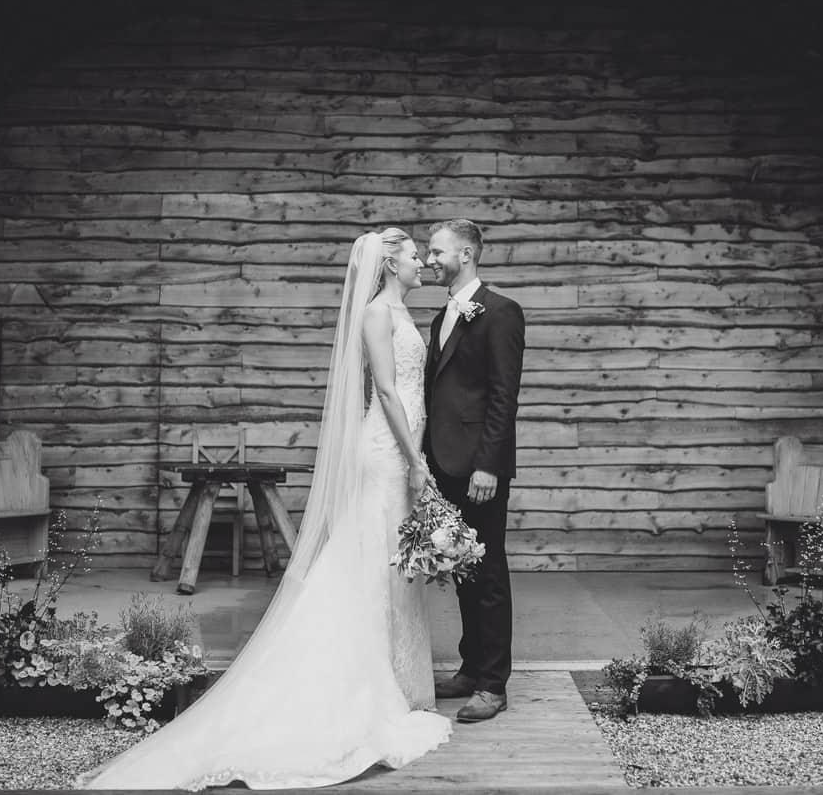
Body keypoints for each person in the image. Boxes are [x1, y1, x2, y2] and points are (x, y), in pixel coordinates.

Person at [76, 228, 451, 790]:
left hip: (406, 449)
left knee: (394, 564)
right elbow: (389, 394)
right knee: (372, 561)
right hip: (388, 451)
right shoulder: (376, 314)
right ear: (389, 264)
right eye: (415, 256)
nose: (422, 263)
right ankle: (353, 684)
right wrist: (413, 460)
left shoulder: (402, 310)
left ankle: (397, 681)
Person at [423, 218, 526, 724]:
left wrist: (488, 465)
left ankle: (492, 683)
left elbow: (504, 398)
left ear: (466, 254)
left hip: (479, 468)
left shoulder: (503, 312)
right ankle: (469, 666)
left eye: (437, 250)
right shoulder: (444, 311)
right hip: (443, 464)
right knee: (460, 568)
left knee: (488, 573)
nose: (428, 258)